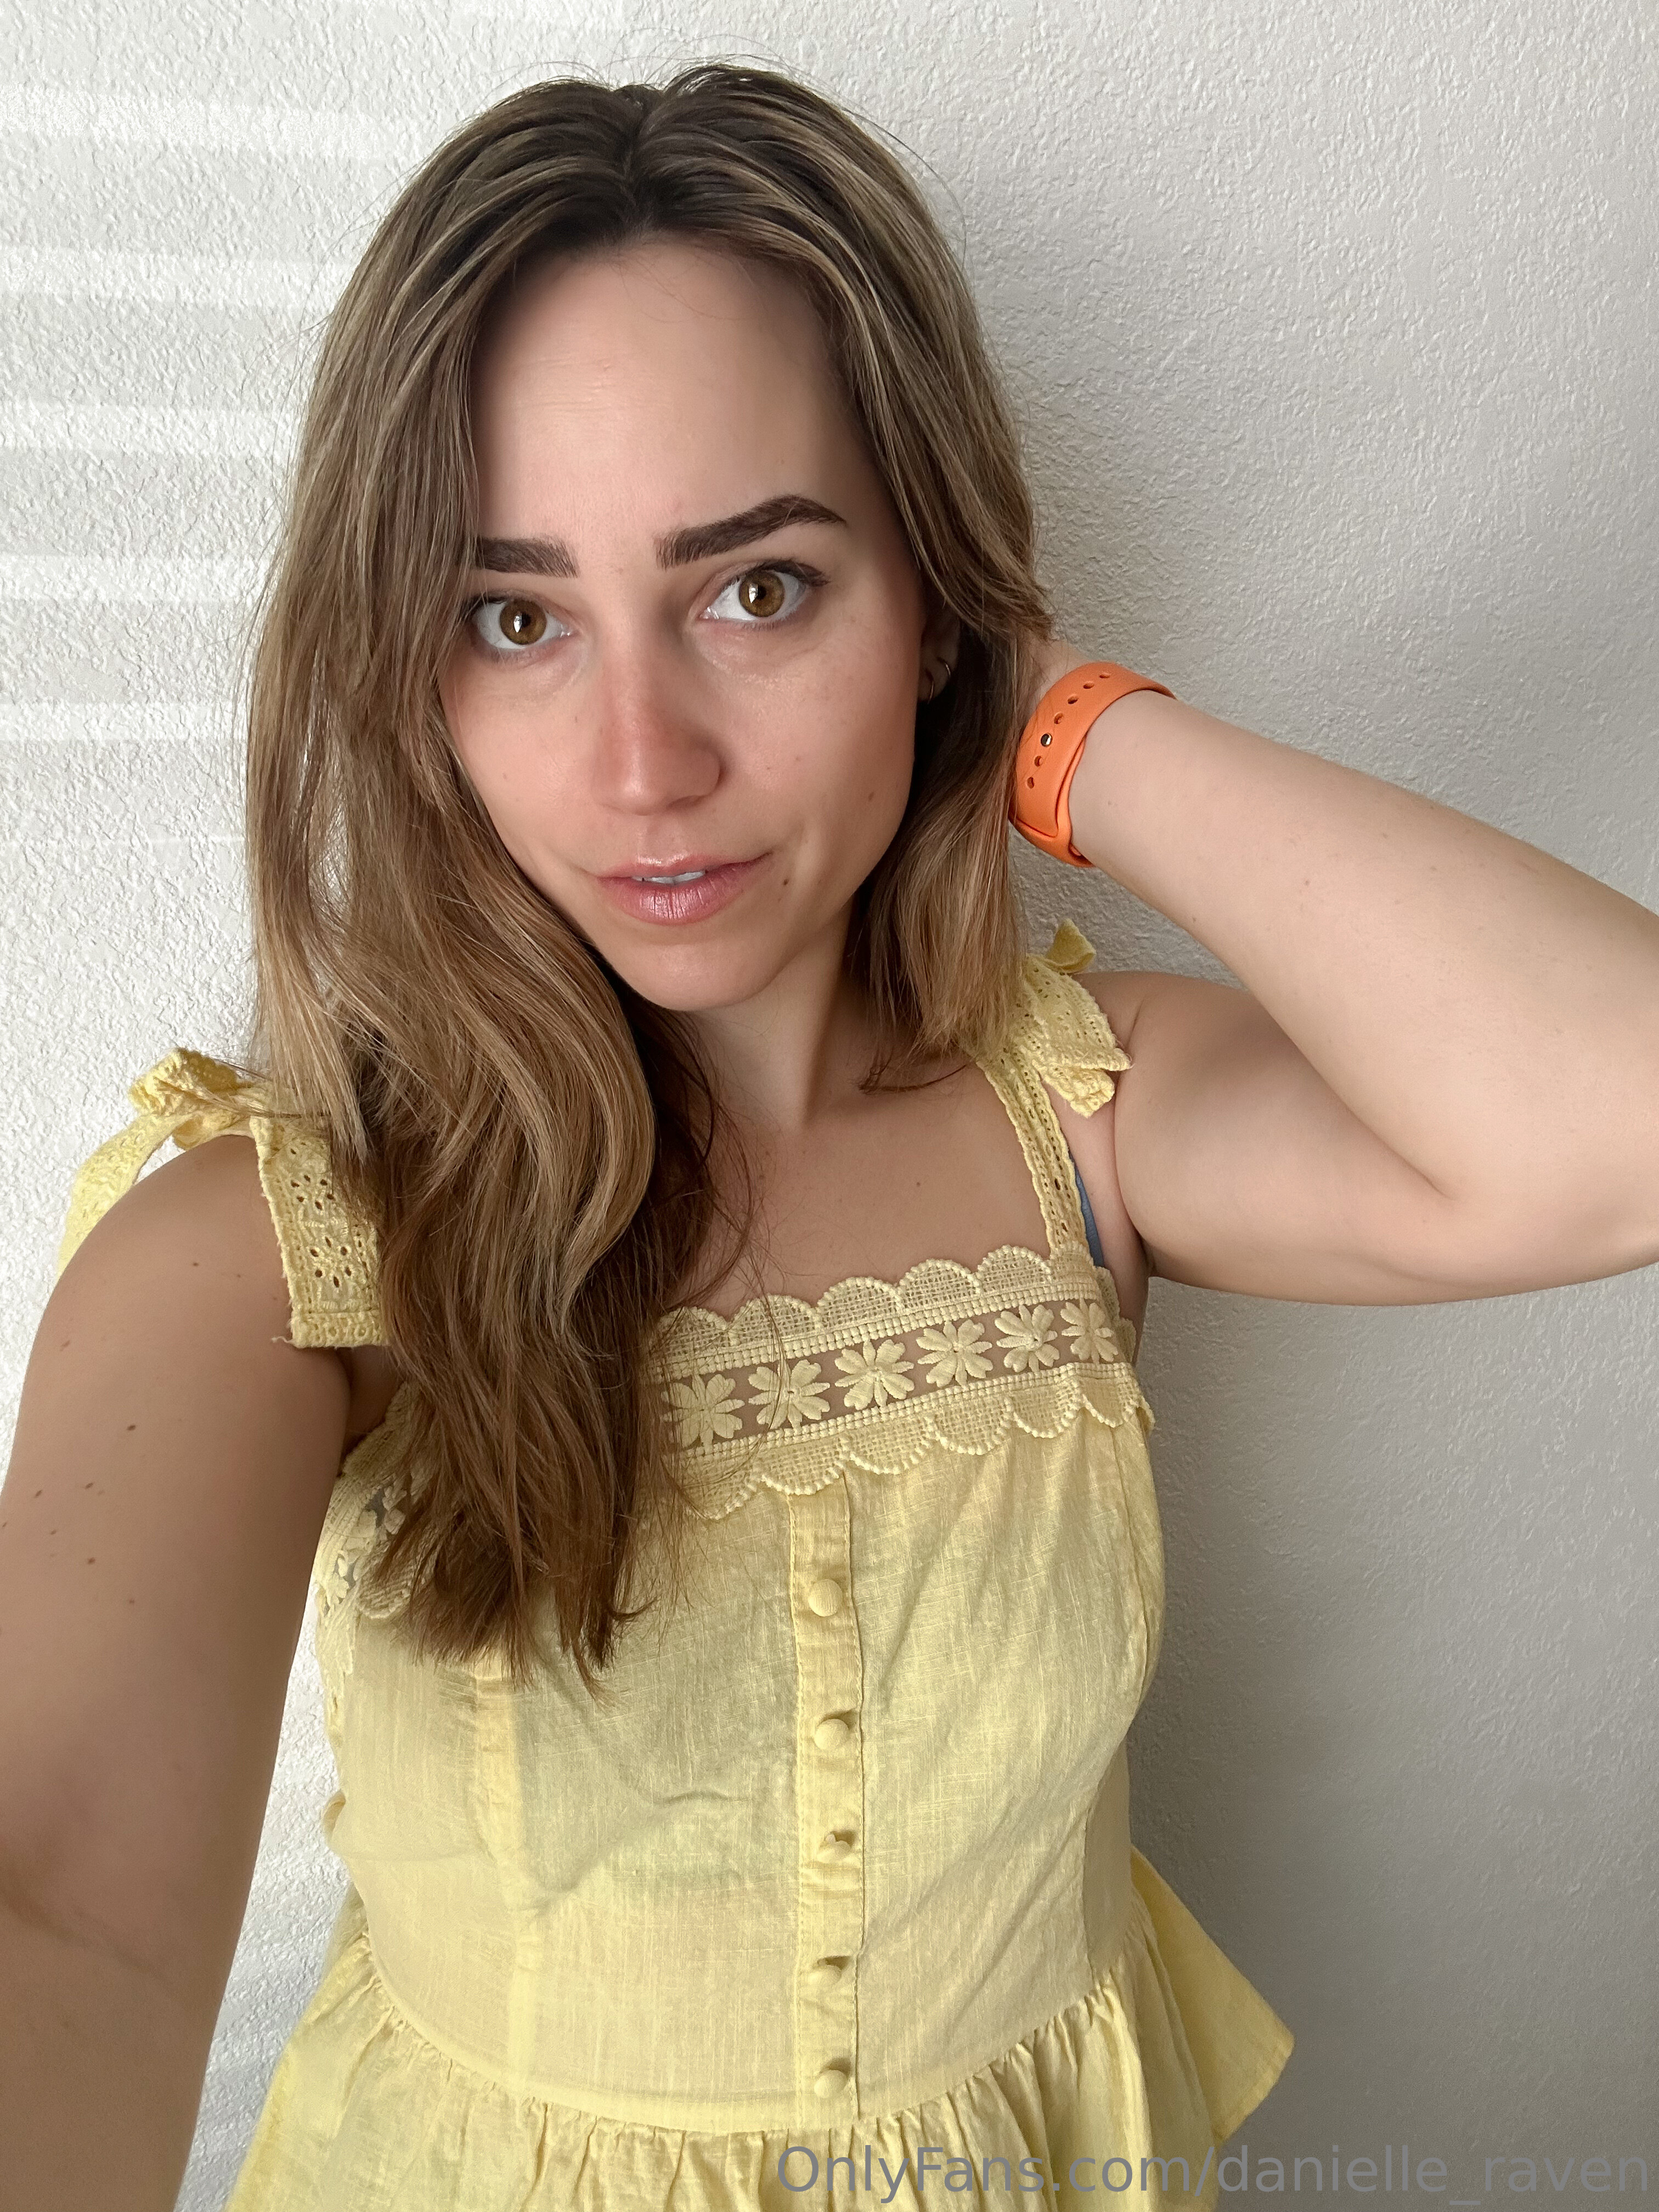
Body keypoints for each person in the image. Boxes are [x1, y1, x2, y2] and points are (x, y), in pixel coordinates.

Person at [1, 59, 1655, 2212]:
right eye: (515, 616)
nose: (646, 762)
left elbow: (1616, 1123)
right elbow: (66, 1913)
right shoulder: (277, 1245)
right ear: (408, 668)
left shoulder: (1086, 1120)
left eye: (760, 589)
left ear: (932, 597)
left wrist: (1041, 723)